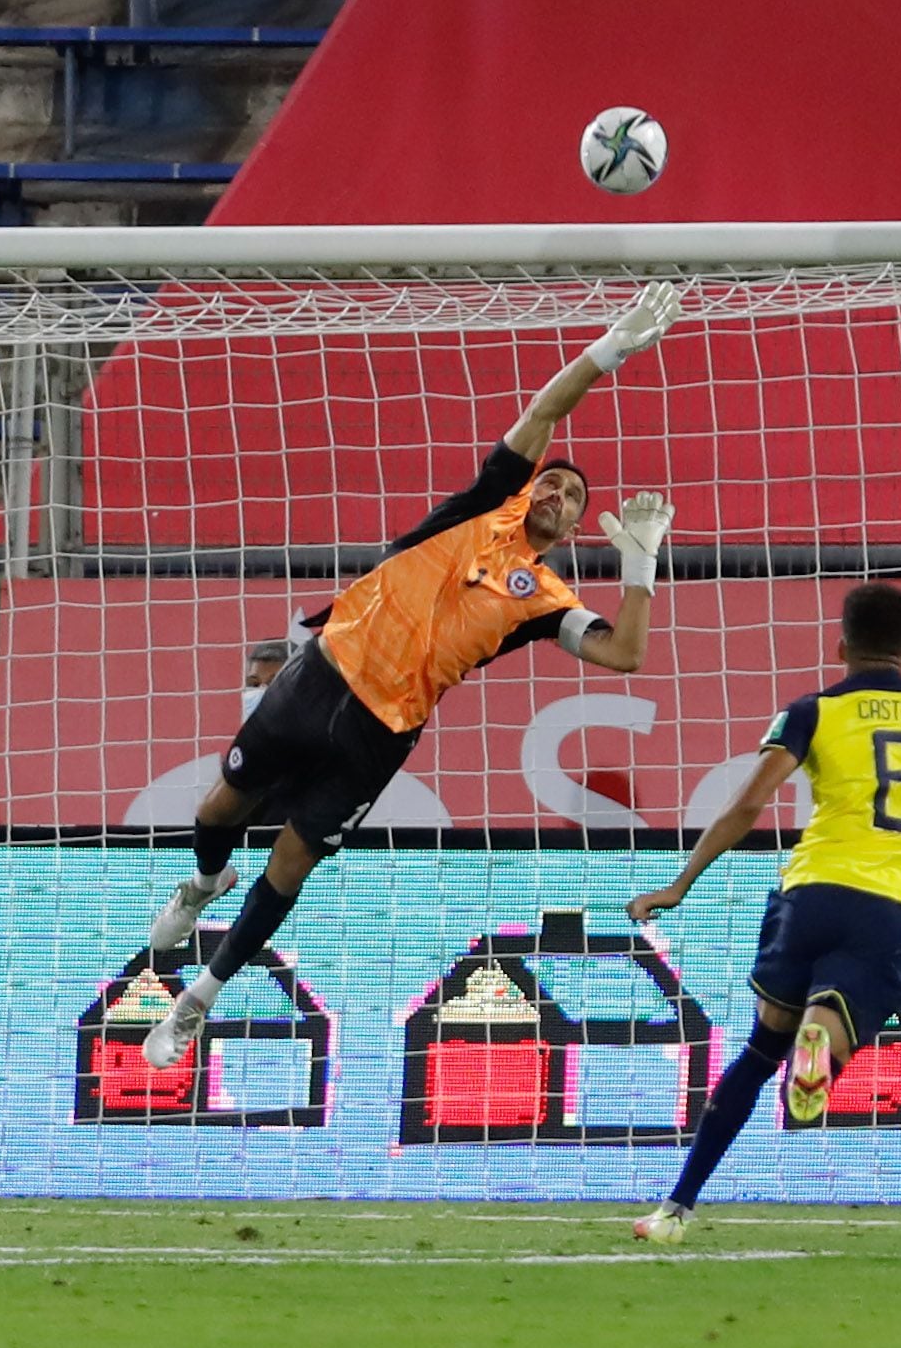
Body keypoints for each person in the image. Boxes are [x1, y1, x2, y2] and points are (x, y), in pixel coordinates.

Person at [134, 286, 685, 1072]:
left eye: (574, 500)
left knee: (292, 862)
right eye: (553, 483)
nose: (560, 495)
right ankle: (203, 881)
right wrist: (608, 352)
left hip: (380, 733)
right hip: (320, 677)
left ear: (572, 533)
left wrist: (640, 565)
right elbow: (543, 411)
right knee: (221, 806)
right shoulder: (482, 507)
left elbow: (624, 655)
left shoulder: (547, 601)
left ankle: (200, 1000)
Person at [621, 583, 901, 1243]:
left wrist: (680, 883)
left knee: (759, 1053)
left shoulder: (811, 710)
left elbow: (748, 804)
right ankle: (823, 1044)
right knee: (829, 1030)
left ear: (840, 645)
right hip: (894, 906)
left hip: (809, 894)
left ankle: (676, 1210)